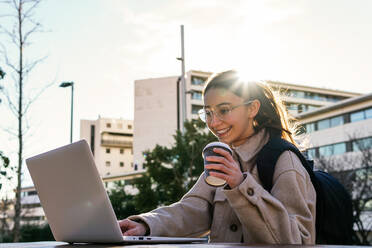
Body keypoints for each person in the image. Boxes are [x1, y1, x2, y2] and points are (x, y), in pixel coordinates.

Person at [119, 70, 316, 244]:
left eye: (223, 110)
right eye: (208, 113)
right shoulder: (226, 156)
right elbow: (191, 210)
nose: (214, 122)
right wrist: (144, 226)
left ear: (252, 108)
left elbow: (298, 240)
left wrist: (240, 185)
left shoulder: (285, 160)